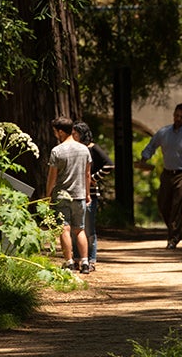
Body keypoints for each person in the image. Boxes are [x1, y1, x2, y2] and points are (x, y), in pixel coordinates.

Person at [136, 103, 182, 249]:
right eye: (177, 115)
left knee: (177, 204)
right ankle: (177, 225)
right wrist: (144, 158)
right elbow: (152, 145)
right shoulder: (164, 132)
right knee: (163, 204)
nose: (178, 119)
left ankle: (173, 238)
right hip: (167, 173)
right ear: (173, 115)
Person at [45, 117, 93, 274]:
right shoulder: (84, 149)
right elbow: (87, 174)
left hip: (61, 196)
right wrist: (87, 194)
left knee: (64, 229)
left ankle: (69, 262)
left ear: (60, 131)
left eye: (55, 132)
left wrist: (47, 195)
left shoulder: (57, 151)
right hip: (79, 195)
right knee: (80, 230)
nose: (55, 135)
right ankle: (85, 262)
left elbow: (52, 176)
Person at [71, 122, 114, 272]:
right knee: (75, 227)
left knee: (89, 229)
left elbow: (109, 165)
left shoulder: (92, 148)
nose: (73, 136)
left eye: (75, 133)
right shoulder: (74, 149)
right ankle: (77, 259)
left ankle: (91, 260)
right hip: (75, 192)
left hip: (91, 193)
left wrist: (94, 178)